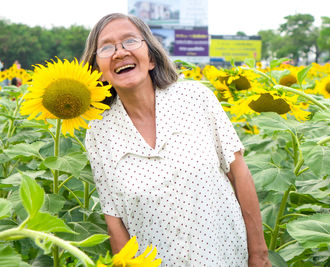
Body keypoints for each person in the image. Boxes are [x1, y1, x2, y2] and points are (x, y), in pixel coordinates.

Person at [81, 13, 272, 266]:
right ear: (99, 72)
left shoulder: (195, 98)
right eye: (106, 47)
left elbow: (239, 174)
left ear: (150, 57)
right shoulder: (98, 131)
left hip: (224, 256)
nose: (119, 52)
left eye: (130, 41)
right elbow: (114, 218)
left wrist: (258, 254)